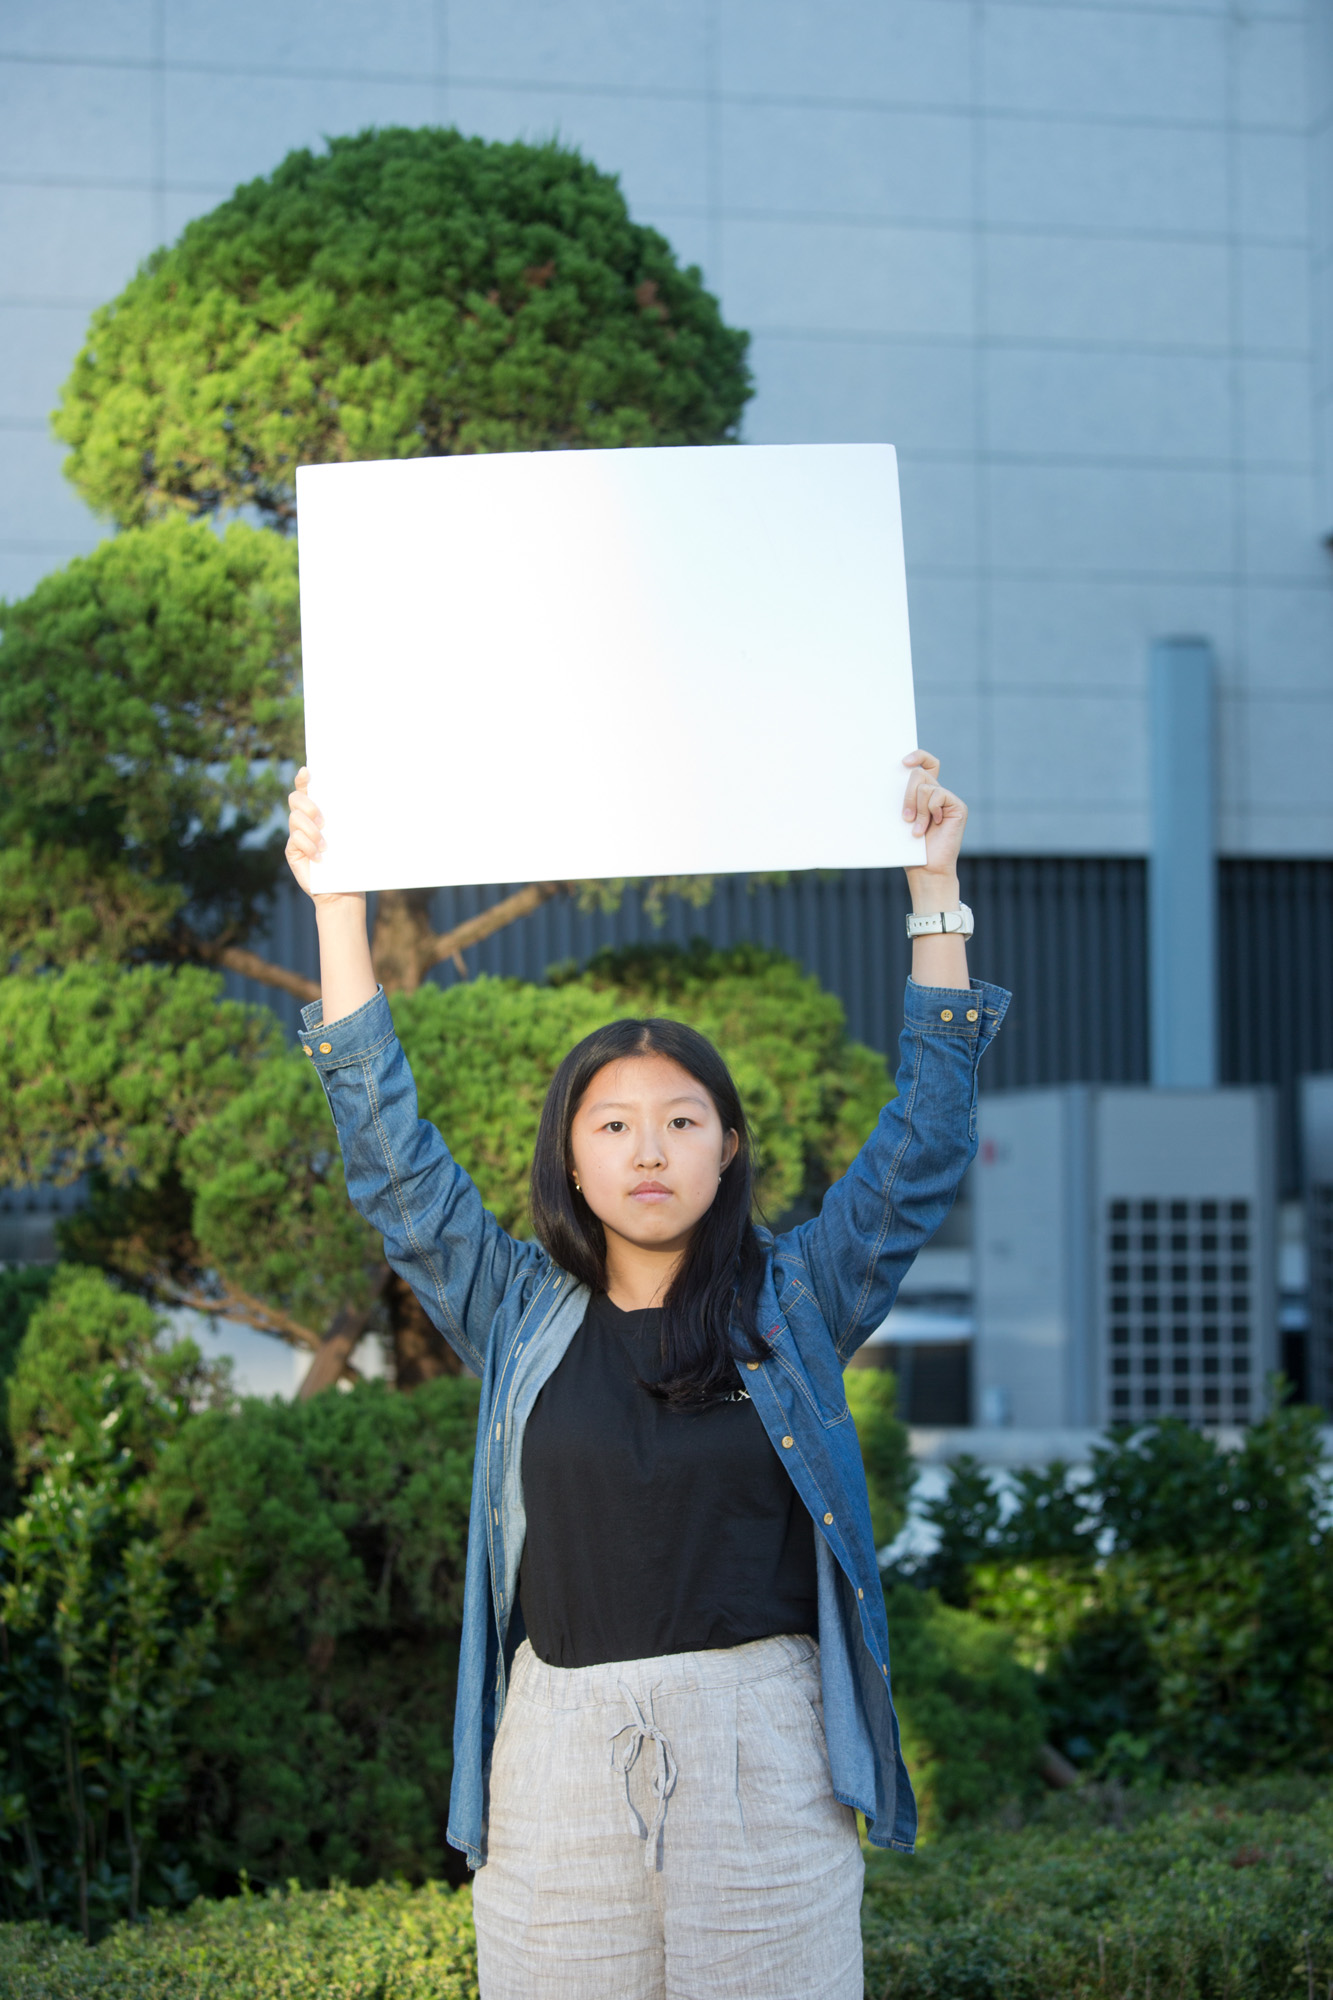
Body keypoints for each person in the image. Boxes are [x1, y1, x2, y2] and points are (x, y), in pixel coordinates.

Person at [284, 750, 1007, 2000]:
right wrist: (338, 908)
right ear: (571, 1157)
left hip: (765, 1754)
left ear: (728, 1148)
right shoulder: (511, 1307)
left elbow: (924, 1144)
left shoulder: (797, 1297)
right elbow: (391, 1156)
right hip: (557, 1755)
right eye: (611, 1124)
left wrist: (933, 898)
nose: (649, 1149)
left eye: (681, 1119)